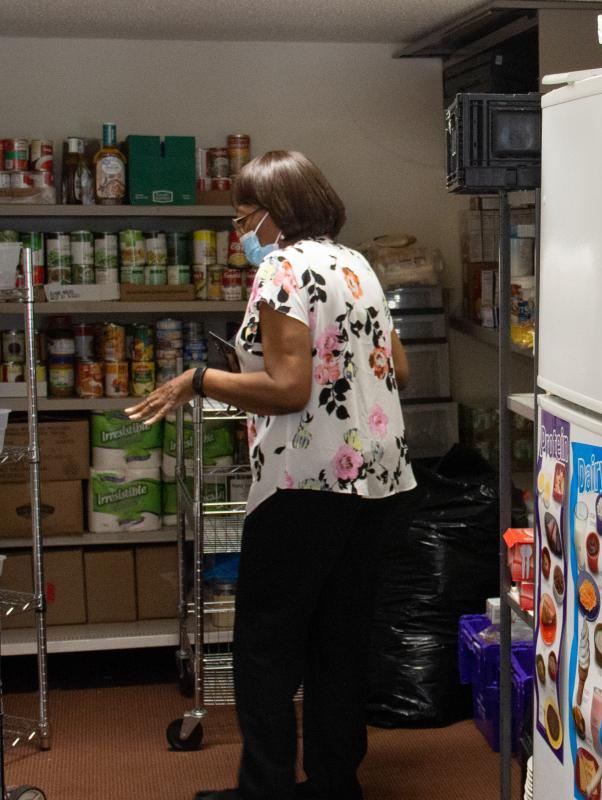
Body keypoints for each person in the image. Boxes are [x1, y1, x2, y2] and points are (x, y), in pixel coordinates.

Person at [126, 150, 416, 800]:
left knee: (265, 646)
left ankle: (265, 790)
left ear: (275, 213)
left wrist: (199, 379)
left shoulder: (284, 267)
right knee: (338, 644)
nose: (239, 231)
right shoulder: (357, 262)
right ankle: (336, 784)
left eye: (243, 216)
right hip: (378, 481)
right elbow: (399, 367)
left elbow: (287, 389)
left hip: (306, 484)